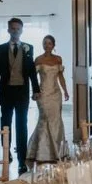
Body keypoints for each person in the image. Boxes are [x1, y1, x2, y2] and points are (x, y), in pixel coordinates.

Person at [0, 17, 41, 174]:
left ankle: (22, 160)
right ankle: (6, 152)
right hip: (5, 92)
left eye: (18, 29)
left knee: (22, 125)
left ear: (21, 30)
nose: (15, 31)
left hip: (22, 93)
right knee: (5, 124)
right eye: (12, 28)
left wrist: (36, 89)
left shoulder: (28, 48)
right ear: (8, 30)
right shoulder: (0, 49)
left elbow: (32, 72)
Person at [27, 35, 69, 168]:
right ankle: (41, 152)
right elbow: (33, 79)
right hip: (43, 94)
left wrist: (66, 91)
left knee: (56, 120)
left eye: (49, 43)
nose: (47, 45)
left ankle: (57, 151)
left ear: (53, 45)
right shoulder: (38, 59)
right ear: (42, 45)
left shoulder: (58, 59)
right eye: (45, 43)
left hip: (56, 95)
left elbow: (61, 77)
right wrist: (34, 92)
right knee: (44, 118)